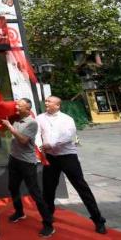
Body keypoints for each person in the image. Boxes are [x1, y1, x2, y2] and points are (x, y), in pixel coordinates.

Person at [37, 96, 107, 234]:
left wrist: (51, 144)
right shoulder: (40, 118)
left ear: (57, 105)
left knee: (81, 187)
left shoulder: (67, 119)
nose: (46, 103)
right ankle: (47, 221)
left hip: (68, 157)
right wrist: (40, 146)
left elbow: (69, 136)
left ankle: (98, 220)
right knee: (48, 190)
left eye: (49, 101)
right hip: (51, 158)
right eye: (46, 101)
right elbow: (36, 134)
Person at [1, 98, 54, 237]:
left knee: (35, 193)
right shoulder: (16, 119)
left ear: (28, 109)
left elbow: (23, 140)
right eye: (17, 105)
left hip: (27, 162)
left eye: (20, 106)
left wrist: (9, 126)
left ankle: (48, 224)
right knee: (13, 187)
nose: (16, 108)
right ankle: (19, 212)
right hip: (14, 159)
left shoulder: (32, 123)